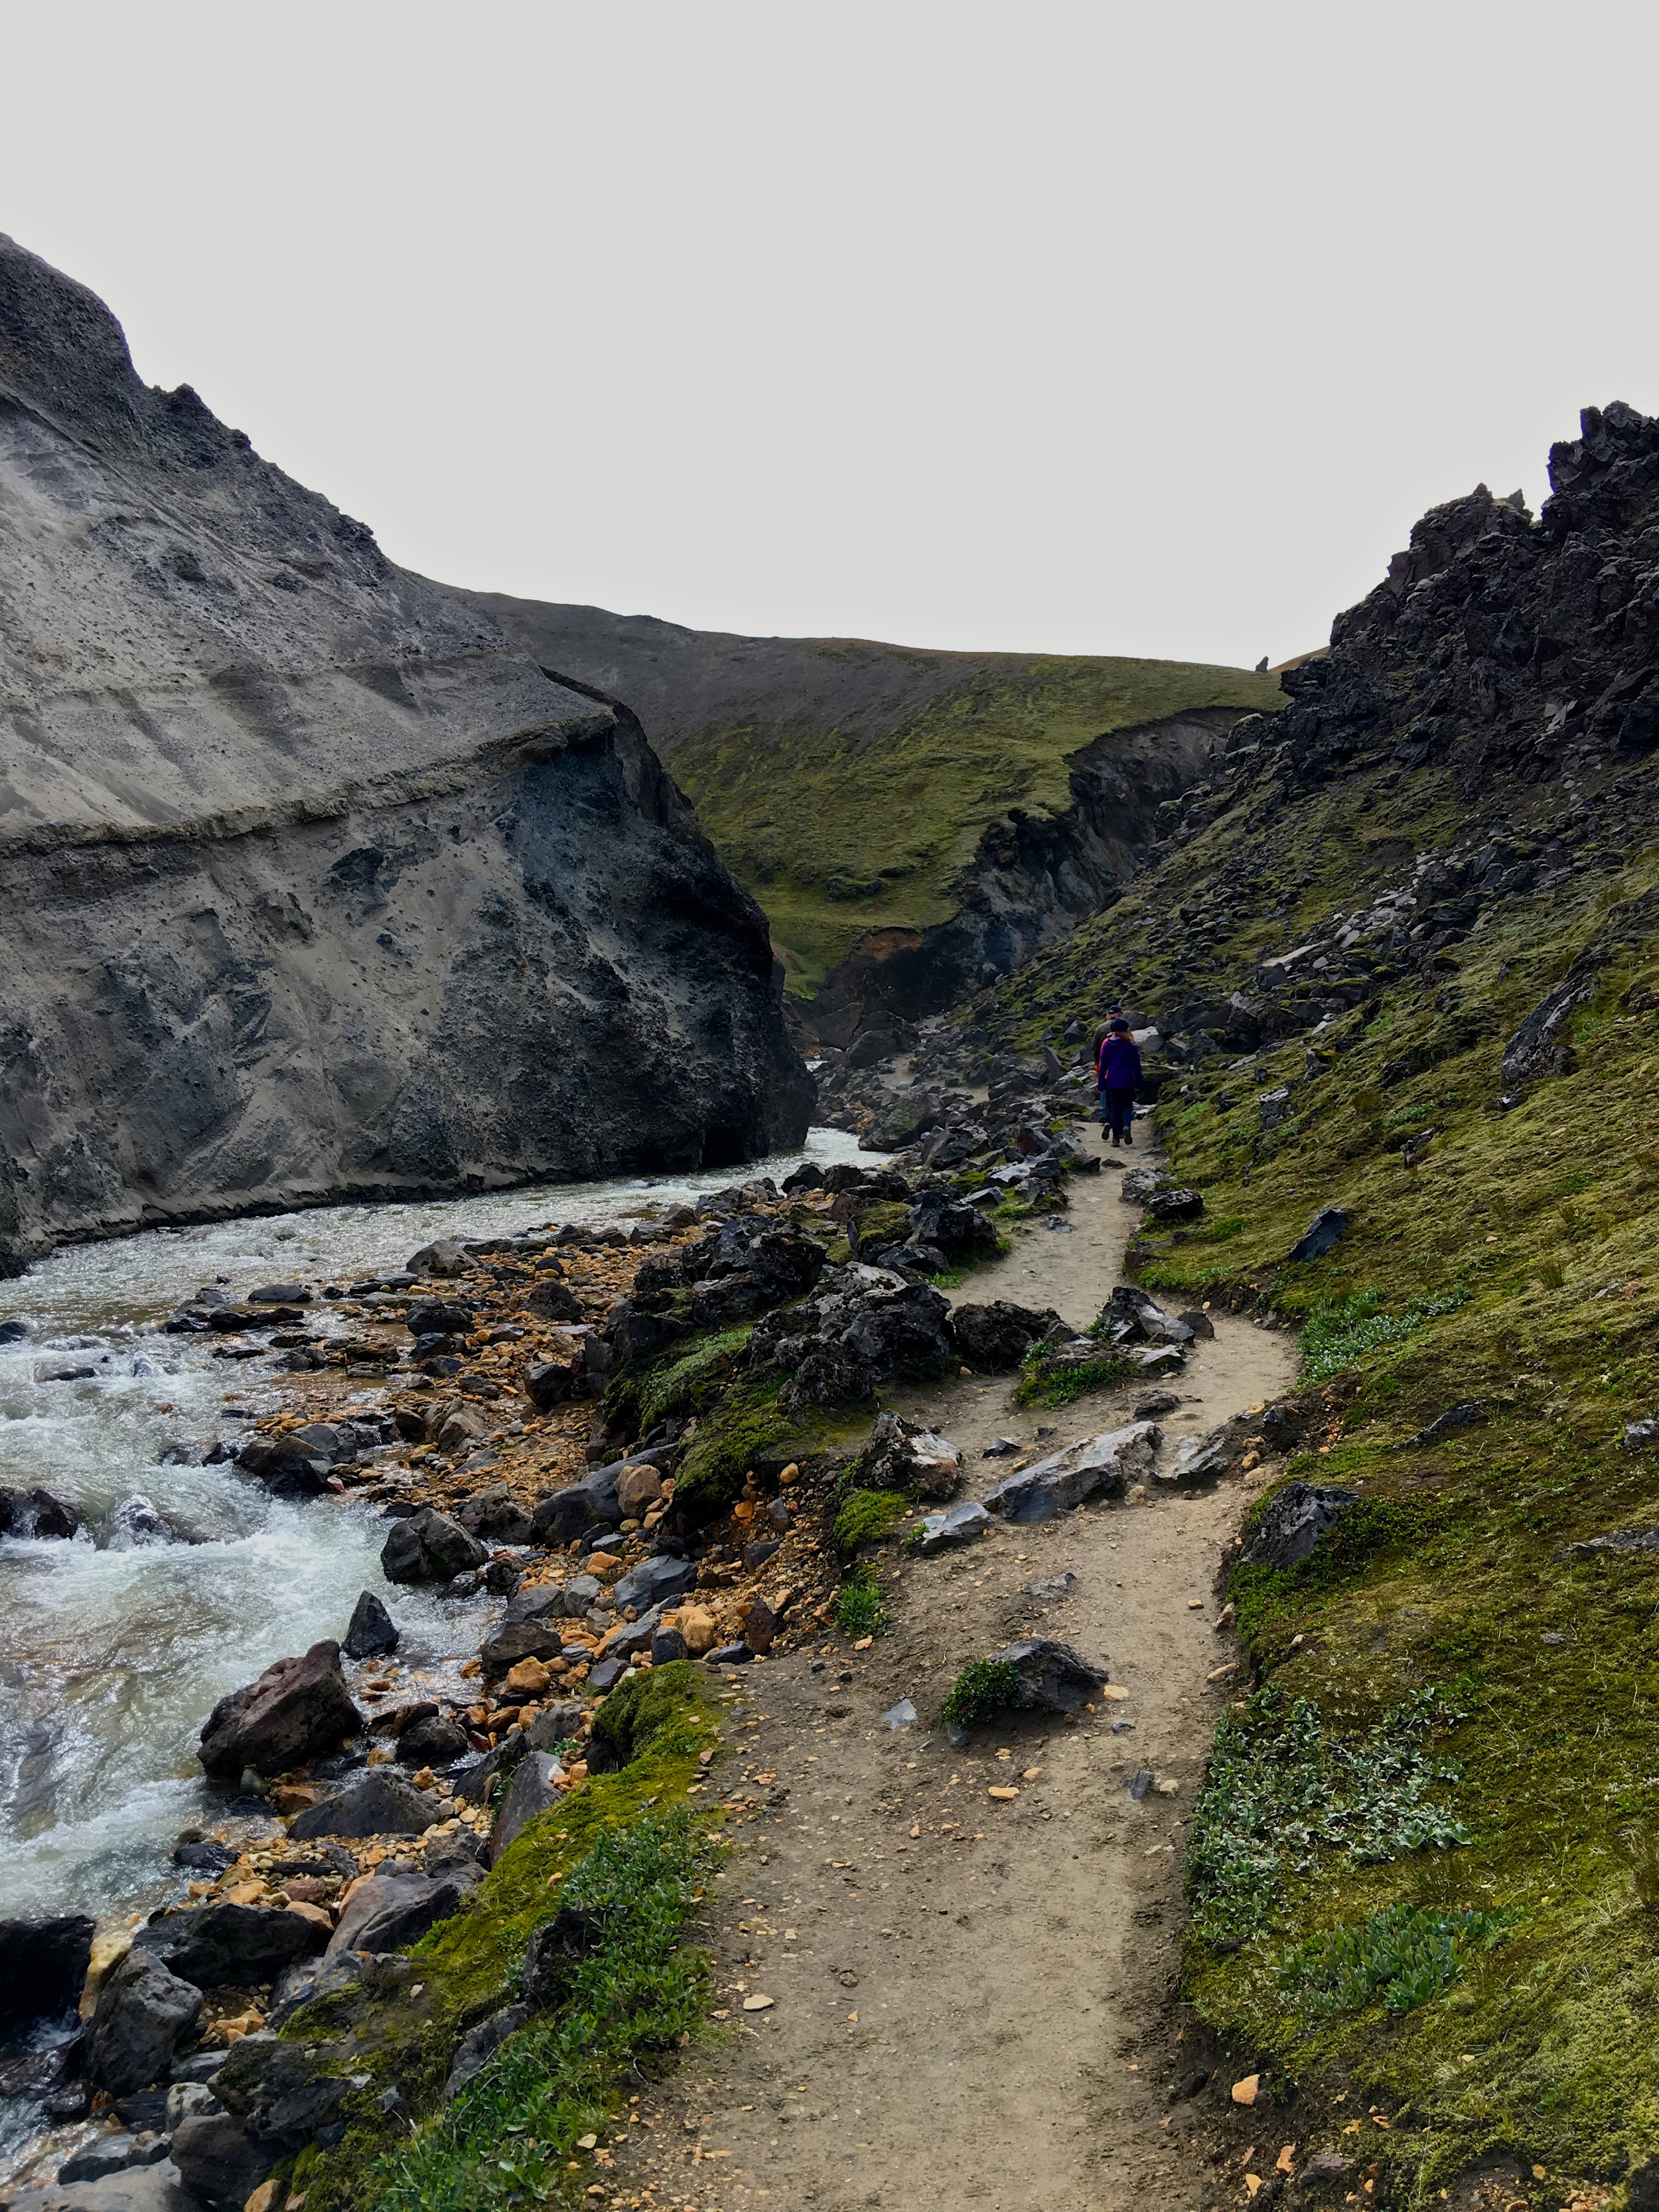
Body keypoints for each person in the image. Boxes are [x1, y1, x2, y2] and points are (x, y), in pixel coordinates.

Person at [1096, 1019, 1142, 1146]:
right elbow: (1136, 1065)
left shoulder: (1107, 1045)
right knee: (1127, 1107)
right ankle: (1126, 1126)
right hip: (1128, 1080)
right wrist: (1139, 1082)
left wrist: (1101, 1084)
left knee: (1115, 1110)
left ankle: (1116, 1138)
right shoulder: (1131, 1045)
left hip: (1112, 1081)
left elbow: (1103, 1065)